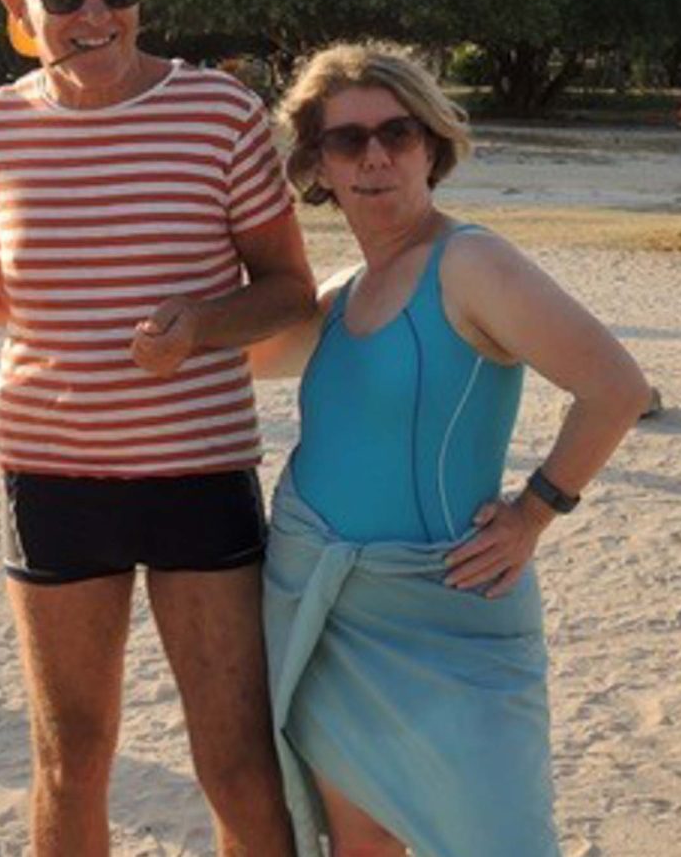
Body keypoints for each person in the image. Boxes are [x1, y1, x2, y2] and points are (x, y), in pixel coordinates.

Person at [0, 0, 315, 855]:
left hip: (199, 473)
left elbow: (290, 291)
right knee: (71, 755)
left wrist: (201, 325)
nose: (95, 15)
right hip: (53, 476)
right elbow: (1, 289)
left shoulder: (218, 110)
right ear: (17, 7)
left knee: (236, 757)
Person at [247, 43, 651, 857]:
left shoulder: (471, 262)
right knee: (359, 845)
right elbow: (234, 359)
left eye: (397, 132)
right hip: (328, 618)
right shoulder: (336, 294)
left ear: (431, 145)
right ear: (317, 165)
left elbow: (616, 387)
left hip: (448, 621)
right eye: (345, 141)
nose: (374, 157)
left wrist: (536, 511)